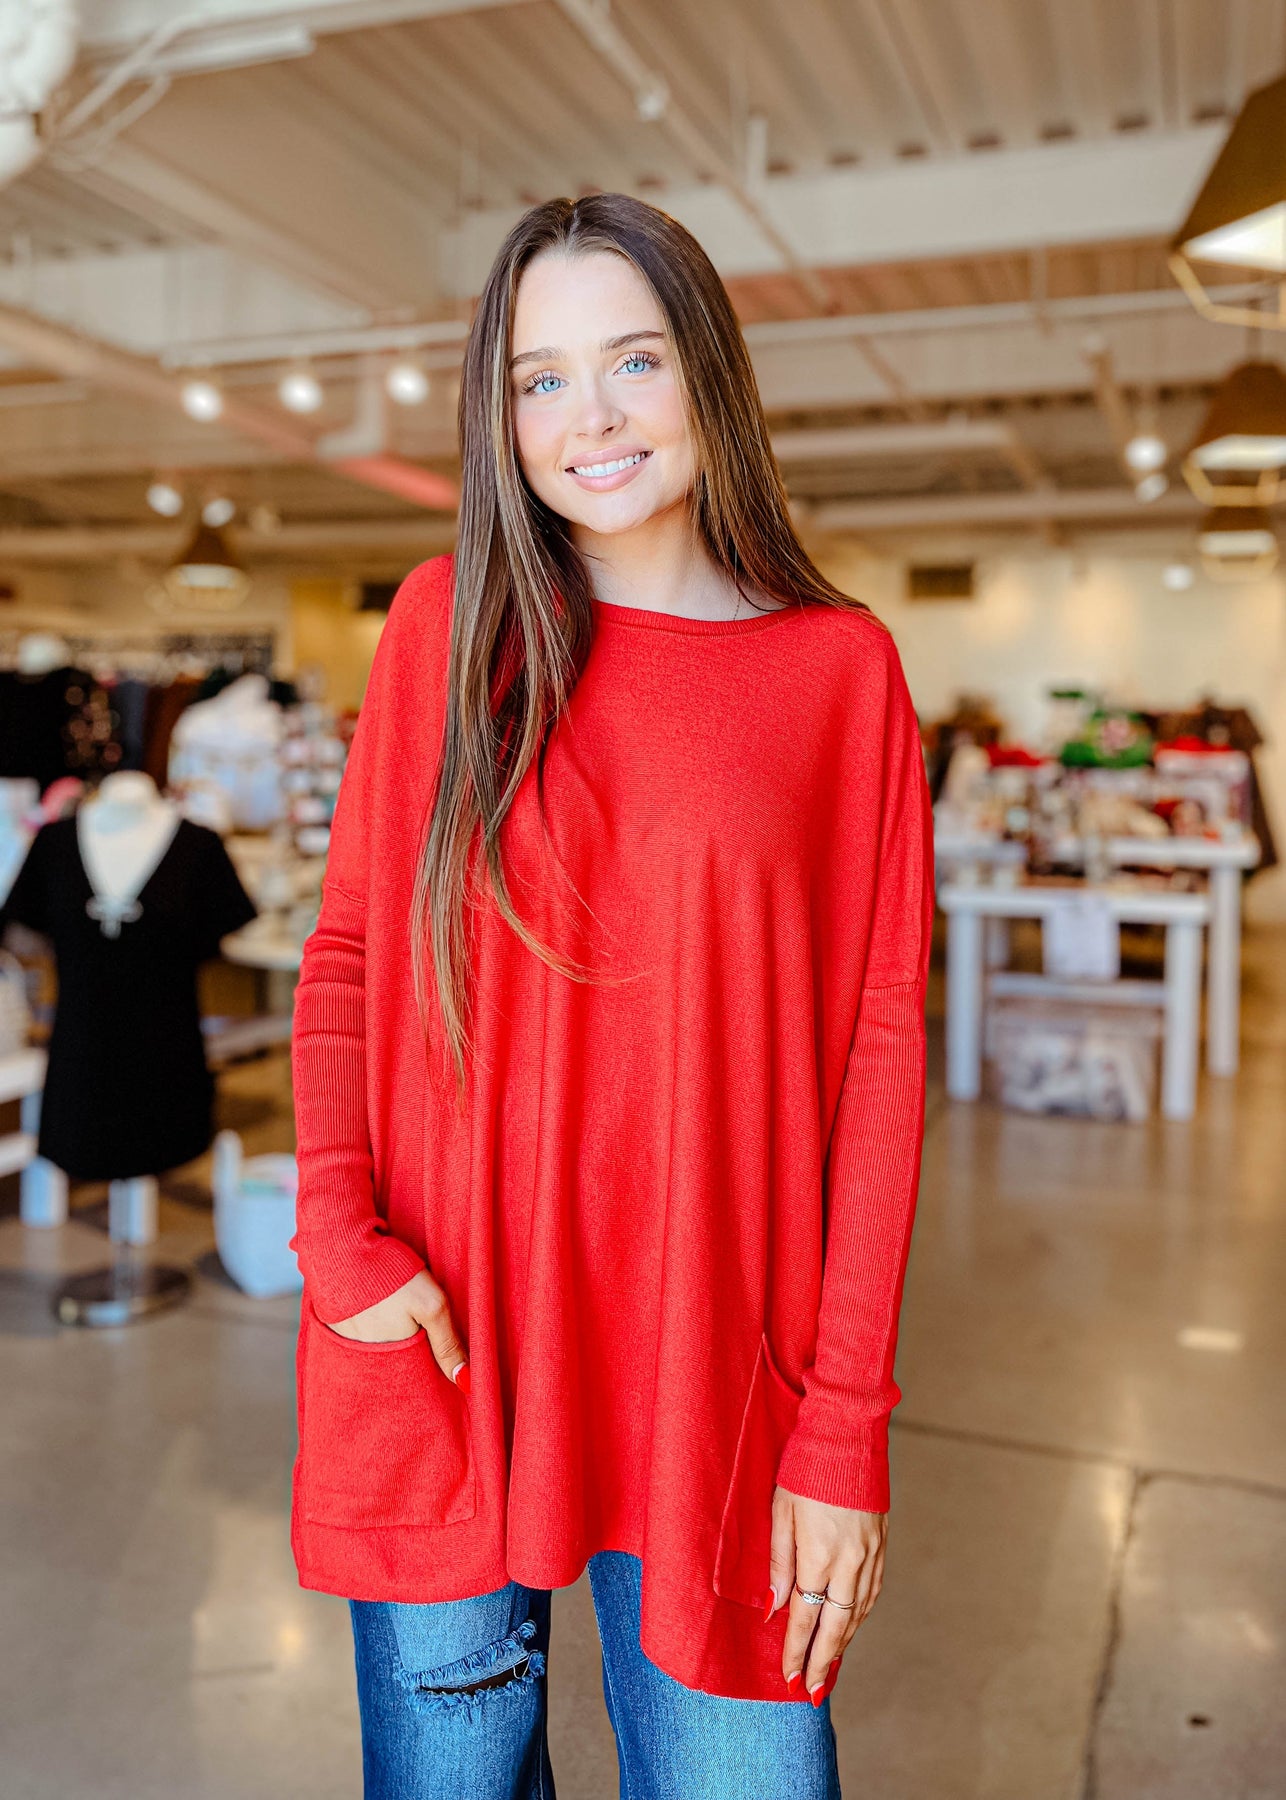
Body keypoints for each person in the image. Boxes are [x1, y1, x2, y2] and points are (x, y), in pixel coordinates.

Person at [289, 192, 934, 1800]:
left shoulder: (836, 672)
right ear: (499, 412)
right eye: (540, 378)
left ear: (707, 372)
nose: (590, 418)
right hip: (443, 1345)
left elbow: (875, 1061)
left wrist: (843, 1426)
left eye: (633, 360)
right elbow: (350, 952)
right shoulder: (446, 630)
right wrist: (336, 1235)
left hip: (719, 1374)